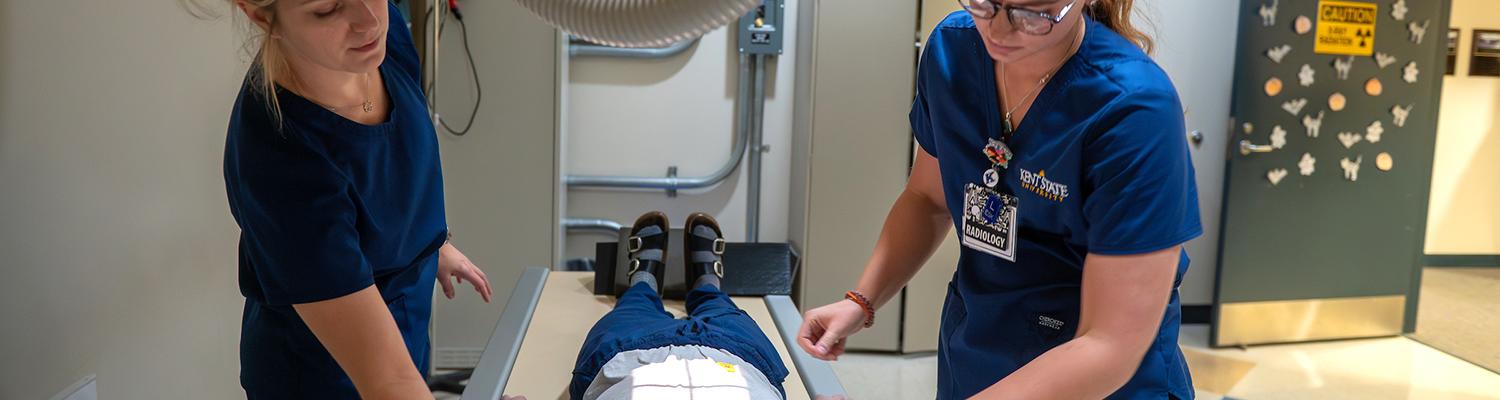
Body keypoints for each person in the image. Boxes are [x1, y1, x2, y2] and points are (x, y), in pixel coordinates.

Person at [797, 0, 1201, 398]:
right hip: (979, 350)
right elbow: (927, 198)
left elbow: (1109, 346)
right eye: (985, 2)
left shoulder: (1133, 109)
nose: (999, 30)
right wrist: (862, 301)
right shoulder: (952, 52)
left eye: (1031, 13)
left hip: (1098, 381)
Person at [221, 1, 492, 398]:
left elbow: (395, 164)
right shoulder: (281, 158)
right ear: (262, 15)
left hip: (405, 327)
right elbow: (389, 381)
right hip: (323, 375)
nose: (368, 20)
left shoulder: (383, 34)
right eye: (328, 7)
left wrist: (431, 243)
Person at [569, 212, 790, 400]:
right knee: (721, 307)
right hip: (739, 357)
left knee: (633, 304)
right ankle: (706, 283)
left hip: (624, 358)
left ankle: (644, 281)